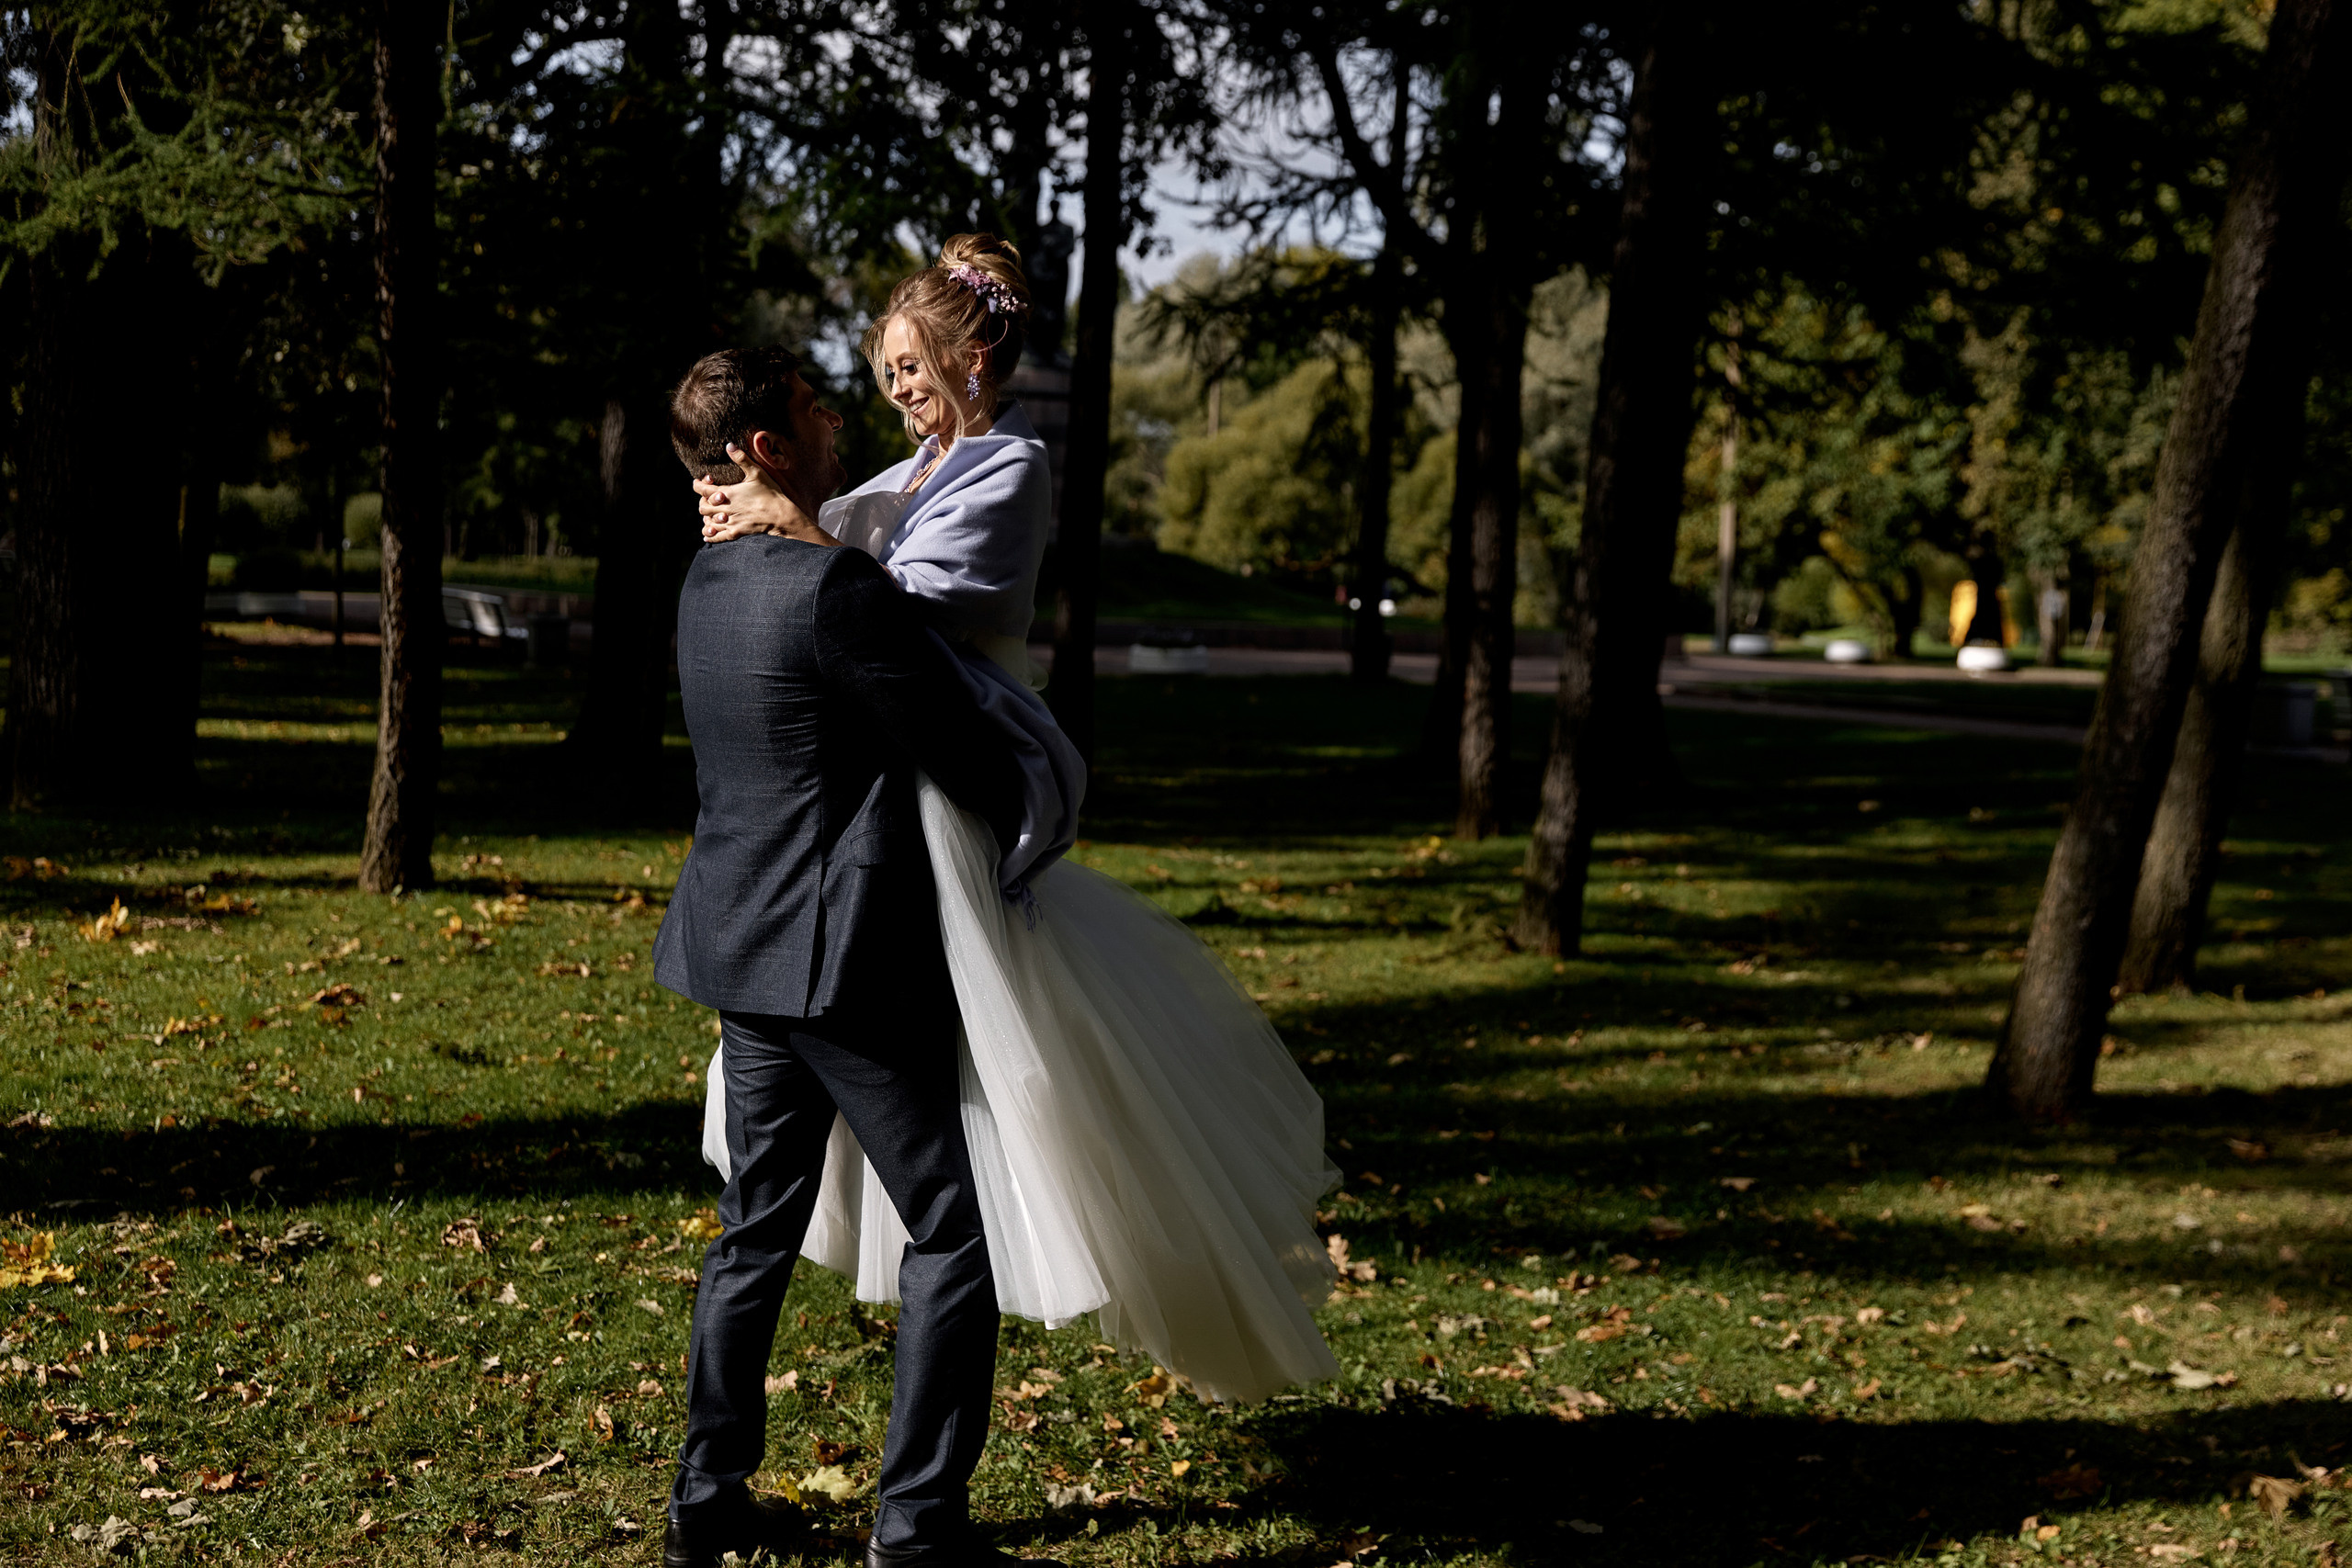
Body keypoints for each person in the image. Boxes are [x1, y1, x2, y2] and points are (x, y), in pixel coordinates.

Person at [690, 236, 1342, 1406]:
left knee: (1004, 1061)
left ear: (974, 357)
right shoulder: (905, 477)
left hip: (957, 767)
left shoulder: (1010, 470)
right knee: (848, 1128)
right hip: (862, 810)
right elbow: (815, 558)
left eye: (909, 366)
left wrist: (790, 525)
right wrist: (752, 510)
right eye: (885, 371)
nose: (895, 391)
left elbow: (890, 608)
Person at [651, 344, 1048, 1568]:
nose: (842, 424)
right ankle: (917, 1528)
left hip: (741, 950)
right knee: (952, 1231)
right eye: (818, 409)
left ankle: (706, 1499)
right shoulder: (840, 592)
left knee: (752, 1228)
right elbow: (963, 751)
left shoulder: (704, 577)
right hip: (846, 966)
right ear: (769, 447)